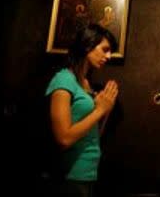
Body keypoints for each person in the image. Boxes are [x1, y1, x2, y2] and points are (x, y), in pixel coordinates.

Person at [45, 23, 119, 197]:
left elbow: (93, 135)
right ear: (88, 45)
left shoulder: (85, 82)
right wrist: (99, 111)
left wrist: (106, 109)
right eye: (105, 49)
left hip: (89, 171)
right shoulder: (64, 79)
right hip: (70, 175)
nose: (109, 56)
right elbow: (63, 138)